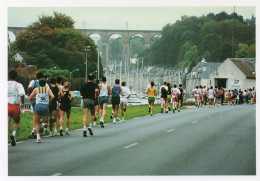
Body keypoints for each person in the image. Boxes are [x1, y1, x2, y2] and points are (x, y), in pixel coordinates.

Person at [29, 78, 54, 143]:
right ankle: (43, 124)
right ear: (45, 83)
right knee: (46, 121)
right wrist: (50, 101)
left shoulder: (36, 89)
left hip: (38, 105)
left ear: (39, 83)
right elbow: (53, 96)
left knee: (36, 122)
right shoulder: (48, 89)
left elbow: (30, 98)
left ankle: (38, 137)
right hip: (45, 105)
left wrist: (35, 98)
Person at [8, 70, 25, 146]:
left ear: (8, 76)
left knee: (7, 122)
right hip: (15, 106)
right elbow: (22, 94)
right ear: (16, 76)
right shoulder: (18, 85)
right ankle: (13, 134)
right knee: (17, 122)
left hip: (6, 106)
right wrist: (22, 102)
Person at [27, 72, 48, 137]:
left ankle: (34, 129)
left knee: (35, 114)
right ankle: (42, 125)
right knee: (42, 114)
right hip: (43, 101)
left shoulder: (34, 81)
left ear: (36, 77)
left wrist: (29, 93)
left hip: (34, 99)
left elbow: (29, 87)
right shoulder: (45, 84)